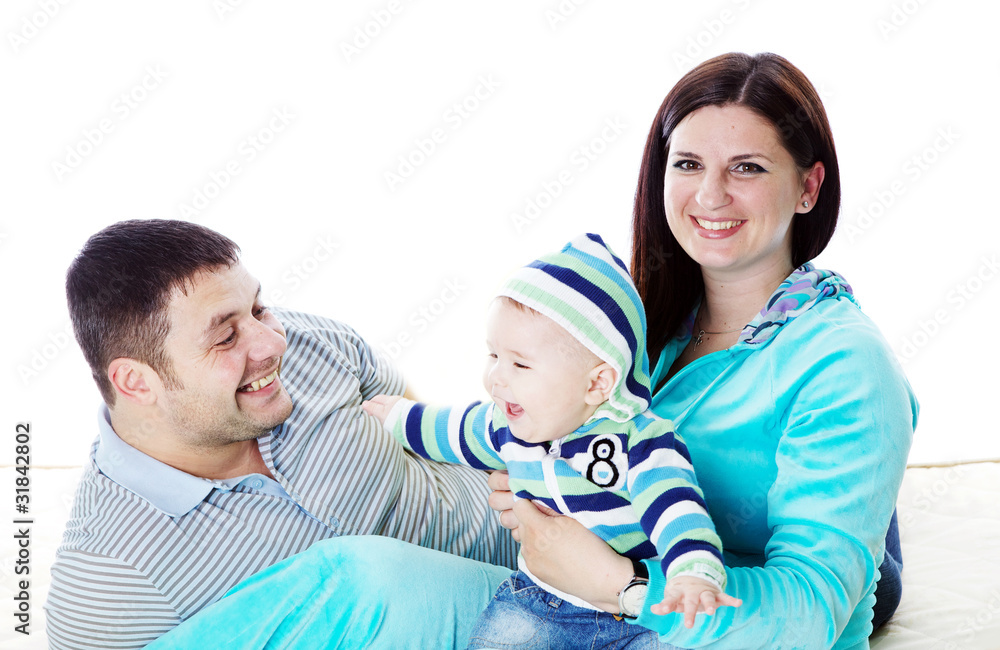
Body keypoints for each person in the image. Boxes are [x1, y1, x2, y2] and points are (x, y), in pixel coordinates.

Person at [490, 52, 918, 649]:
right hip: (614, 574)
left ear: (808, 187)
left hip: (687, 596)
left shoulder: (847, 367)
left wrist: (619, 584)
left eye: (747, 168)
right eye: (688, 164)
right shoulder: (638, 320)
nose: (710, 195)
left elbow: (809, 616)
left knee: (874, 577)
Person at [46, 219, 517, 649]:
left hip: (545, 528)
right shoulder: (108, 575)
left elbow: (421, 421)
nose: (273, 342)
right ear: (136, 382)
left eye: (258, 308)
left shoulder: (307, 344)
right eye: (226, 338)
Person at [363, 233, 741, 648]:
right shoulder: (506, 425)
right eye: (494, 355)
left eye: (520, 364)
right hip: (538, 605)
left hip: (638, 620)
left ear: (597, 383)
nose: (496, 378)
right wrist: (397, 417)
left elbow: (675, 507)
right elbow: (450, 430)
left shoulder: (641, 442)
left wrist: (692, 571)